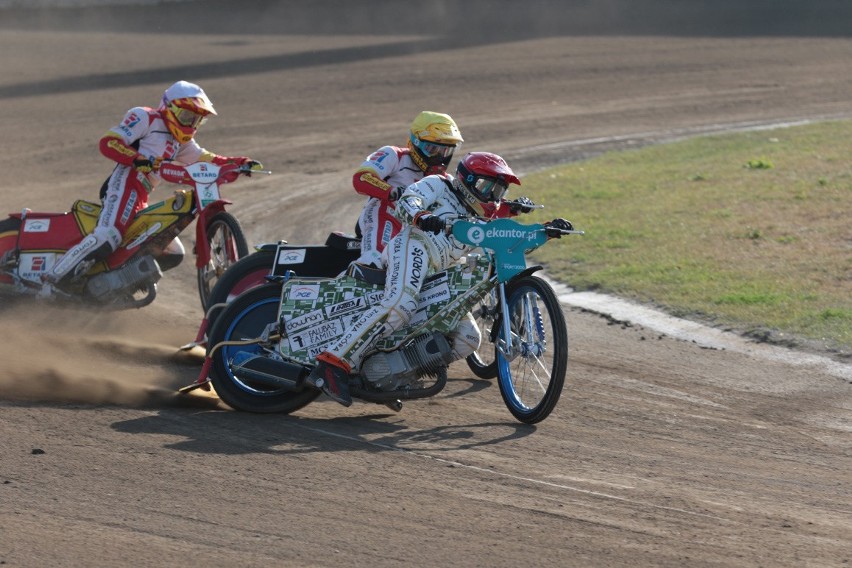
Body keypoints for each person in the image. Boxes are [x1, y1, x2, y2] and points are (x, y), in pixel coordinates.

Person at [307, 152, 567, 407]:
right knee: (401, 305)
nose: (492, 197)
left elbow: (507, 241)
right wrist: (422, 216)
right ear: (467, 179)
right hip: (413, 245)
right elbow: (410, 198)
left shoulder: (481, 217)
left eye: (499, 191)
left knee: (467, 338)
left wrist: (546, 230)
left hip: (439, 272)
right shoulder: (439, 184)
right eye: (487, 186)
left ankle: (388, 377)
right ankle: (331, 363)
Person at [41, 80, 260, 295]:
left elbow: (206, 158)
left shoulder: (181, 142)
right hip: (125, 183)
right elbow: (109, 142)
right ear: (170, 108)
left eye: (197, 120)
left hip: (142, 195)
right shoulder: (146, 117)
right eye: (186, 117)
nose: (190, 124)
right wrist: (137, 159)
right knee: (109, 235)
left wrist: (240, 163)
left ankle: (111, 291)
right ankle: (52, 281)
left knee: (172, 252)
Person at [352, 111, 463, 269]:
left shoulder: (446, 181)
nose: (439, 157)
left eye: (445, 151)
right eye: (432, 149)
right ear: (415, 142)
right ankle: (370, 263)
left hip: (416, 229)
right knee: (386, 209)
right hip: (385, 216)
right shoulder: (394, 155)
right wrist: (392, 192)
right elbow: (361, 178)